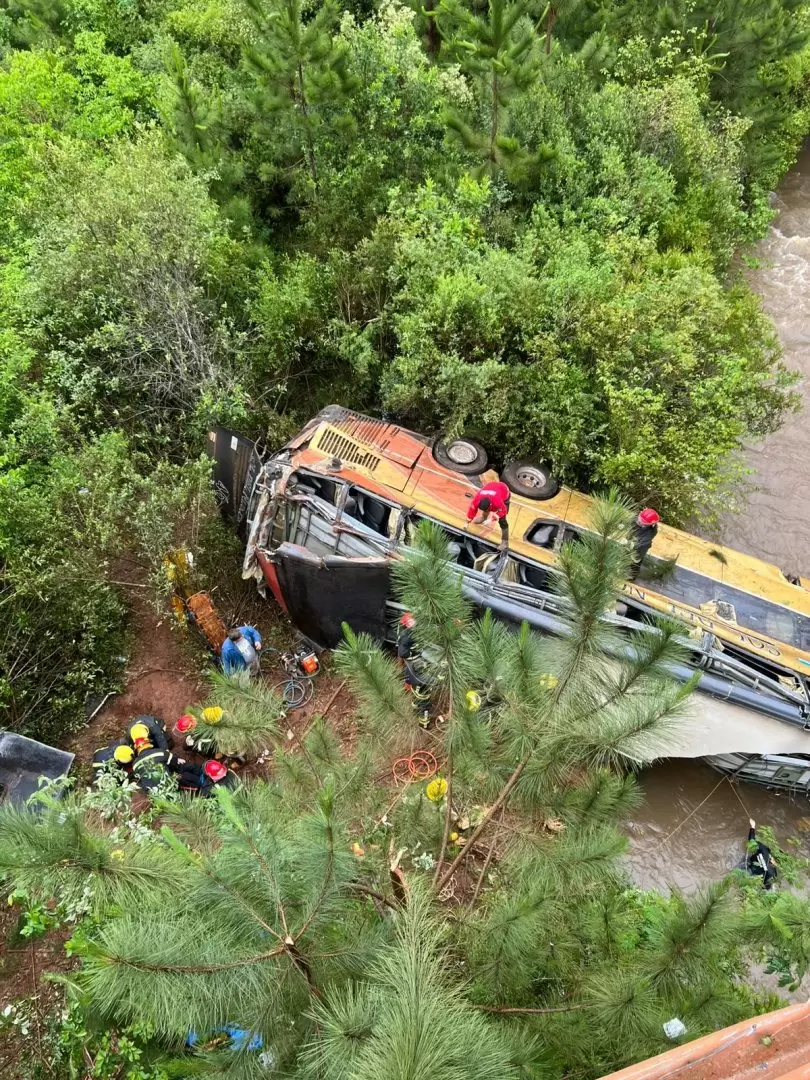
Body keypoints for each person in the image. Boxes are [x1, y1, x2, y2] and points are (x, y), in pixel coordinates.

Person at [130, 726, 186, 792]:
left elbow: (139, 777)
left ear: (136, 749)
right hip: (170, 786)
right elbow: (174, 763)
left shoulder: (135, 764)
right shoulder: (160, 752)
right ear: (148, 743)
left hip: (153, 793)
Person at [466, 481, 511, 550]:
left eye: (487, 510)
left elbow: (503, 510)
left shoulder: (497, 500)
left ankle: (505, 542)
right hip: (492, 489)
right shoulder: (477, 498)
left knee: (502, 520)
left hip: (504, 491)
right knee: (485, 510)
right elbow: (472, 509)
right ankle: (483, 518)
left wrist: (491, 519)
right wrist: (467, 522)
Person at [628, 507, 660, 581]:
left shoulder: (648, 535)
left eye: (642, 521)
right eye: (640, 518)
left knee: (635, 562)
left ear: (649, 525)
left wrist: (633, 547)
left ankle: (633, 576)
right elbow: (631, 521)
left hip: (640, 549)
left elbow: (640, 545)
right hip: (632, 539)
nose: (639, 521)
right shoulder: (637, 520)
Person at [746, 818, 778, 890]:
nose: (775, 864)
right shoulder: (773, 873)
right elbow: (766, 887)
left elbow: (752, 841)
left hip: (750, 869)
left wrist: (753, 826)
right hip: (753, 874)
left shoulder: (764, 850)